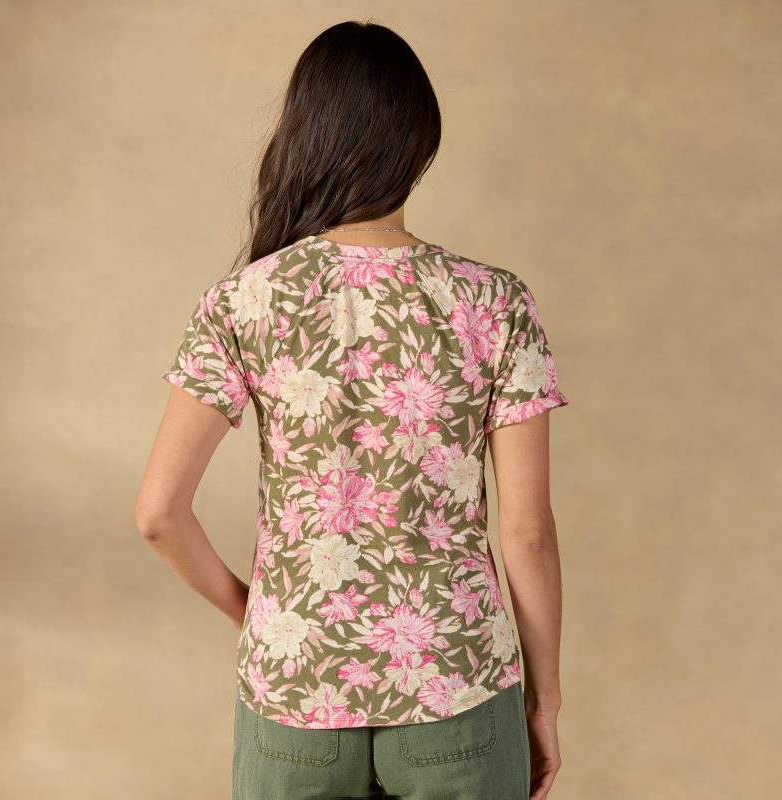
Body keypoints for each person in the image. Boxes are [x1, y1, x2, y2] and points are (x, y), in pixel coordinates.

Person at [135, 19, 569, 800]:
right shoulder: (494, 302)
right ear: (419, 142)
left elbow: (159, 513)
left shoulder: (244, 300)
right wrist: (545, 700)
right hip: (459, 692)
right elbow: (528, 533)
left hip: (296, 694)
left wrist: (258, 616)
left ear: (304, 135)